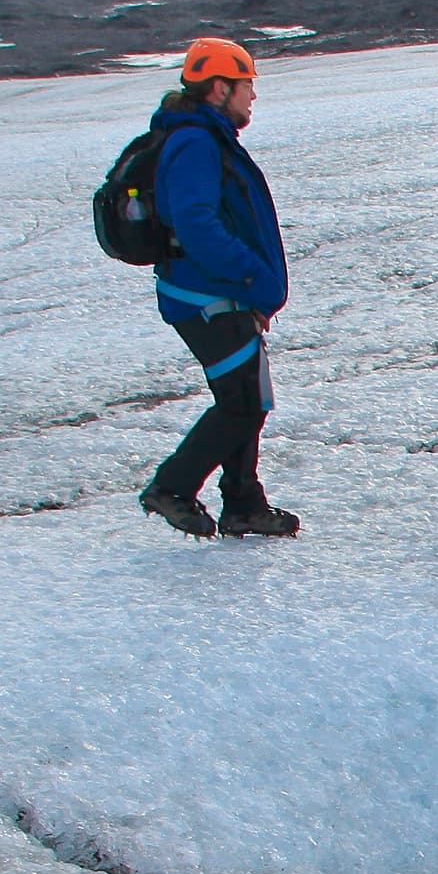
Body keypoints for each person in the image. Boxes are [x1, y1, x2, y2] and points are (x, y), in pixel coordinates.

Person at [138, 36, 298, 539]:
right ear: (218, 89)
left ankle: (244, 503)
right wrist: (250, 276)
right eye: (246, 86)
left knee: (247, 397)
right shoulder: (195, 142)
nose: (253, 96)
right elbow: (196, 223)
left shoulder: (203, 136)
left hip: (215, 292)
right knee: (242, 402)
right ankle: (172, 487)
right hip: (207, 296)